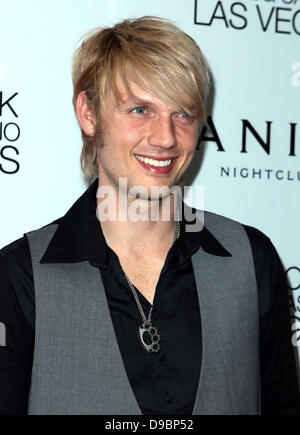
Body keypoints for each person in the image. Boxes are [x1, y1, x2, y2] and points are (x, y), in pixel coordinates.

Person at [0, 16, 299, 415]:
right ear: (88, 113)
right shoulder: (18, 278)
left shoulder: (251, 260)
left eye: (184, 114)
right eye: (141, 109)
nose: (165, 138)